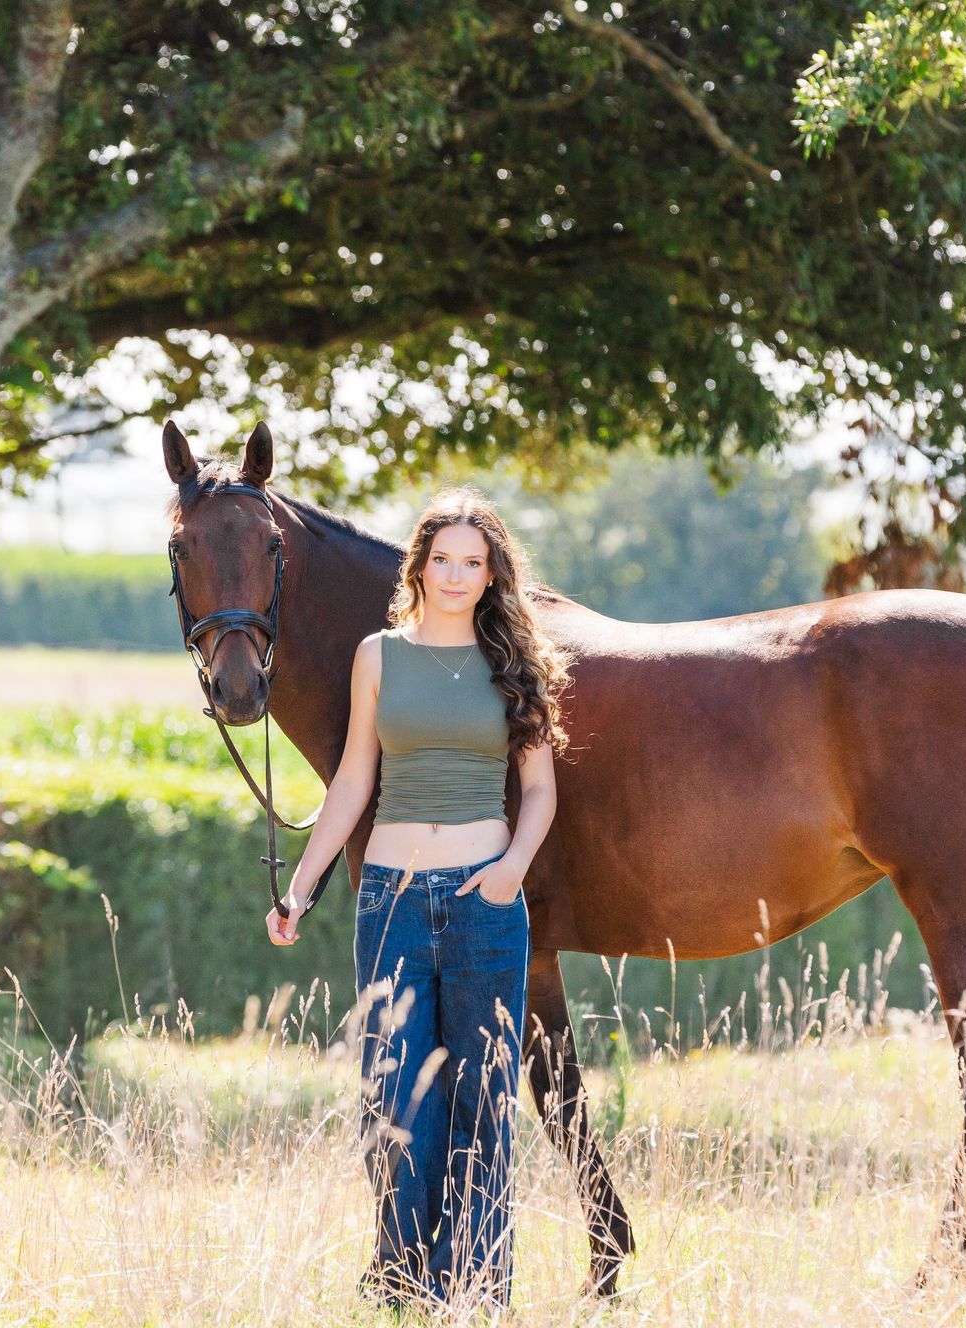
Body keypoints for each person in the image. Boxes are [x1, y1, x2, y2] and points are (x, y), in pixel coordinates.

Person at [265, 485, 571, 1311]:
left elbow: (538, 792)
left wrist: (511, 868)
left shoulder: (517, 662)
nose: (458, 575)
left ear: (492, 573)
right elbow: (355, 779)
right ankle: (404, 1281)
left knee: (484, 1099)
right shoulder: (378, 656)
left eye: (475, 563)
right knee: (398, 1097)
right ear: (421, 565)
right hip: (391, 902)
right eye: (445, 560)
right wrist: (302, 888)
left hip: (485, 902)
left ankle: (474, 1289)